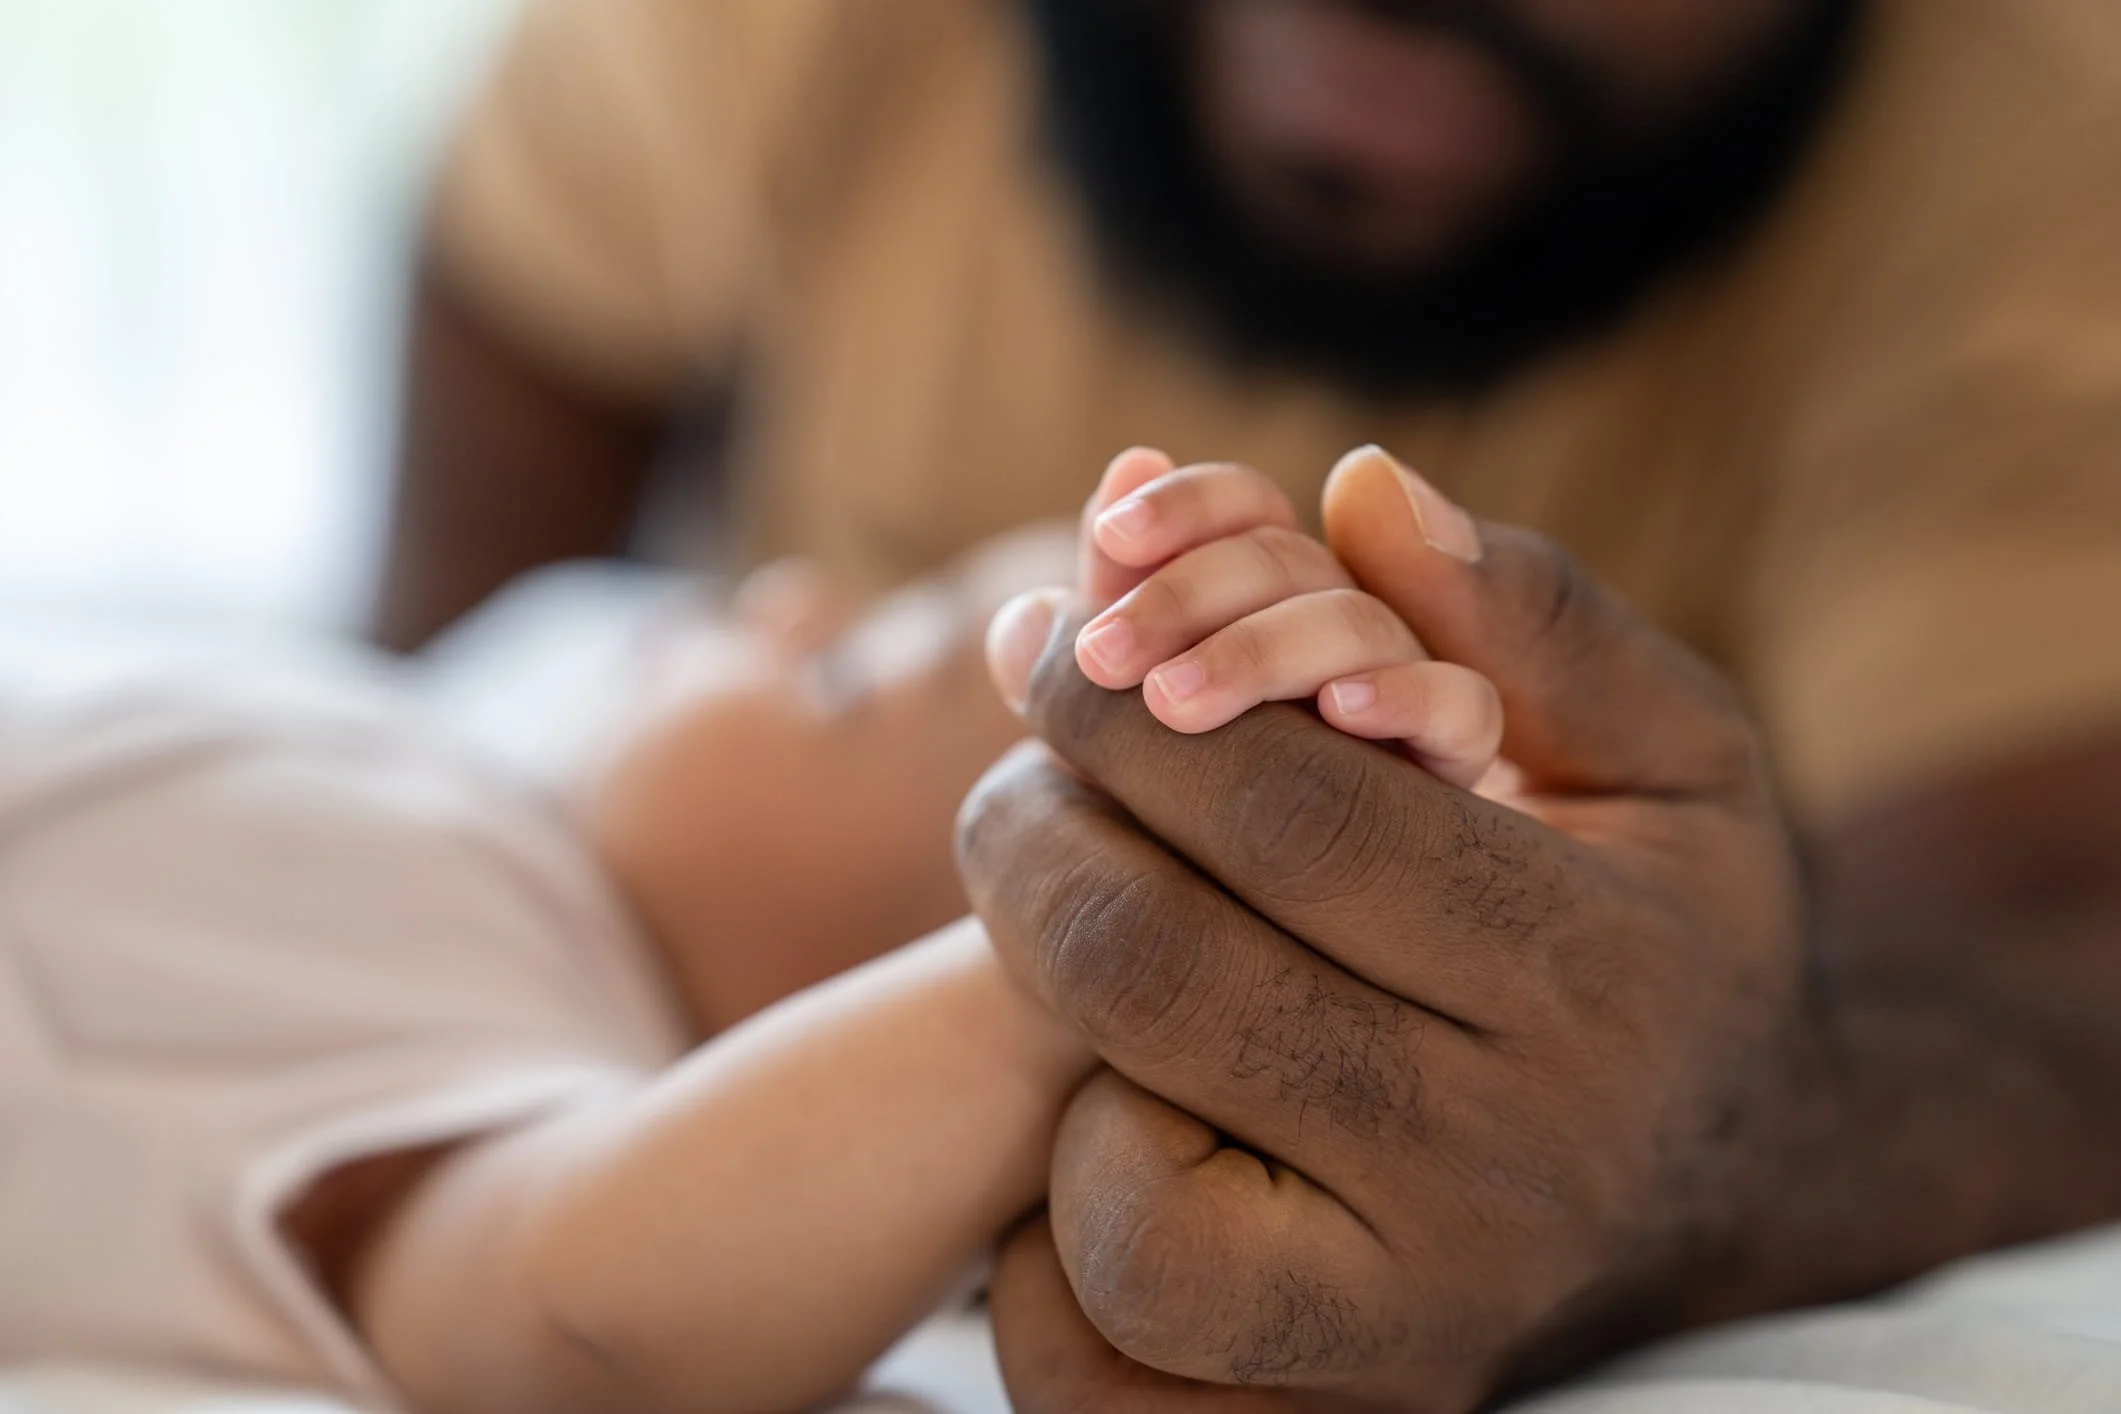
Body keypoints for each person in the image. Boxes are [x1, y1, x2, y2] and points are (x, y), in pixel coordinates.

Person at [0, 448, 1495, 1413]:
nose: (785, 599)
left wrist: (1093, 965)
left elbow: (554, 1317)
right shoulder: (489, 773)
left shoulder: (523, 1003)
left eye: (844, 674)